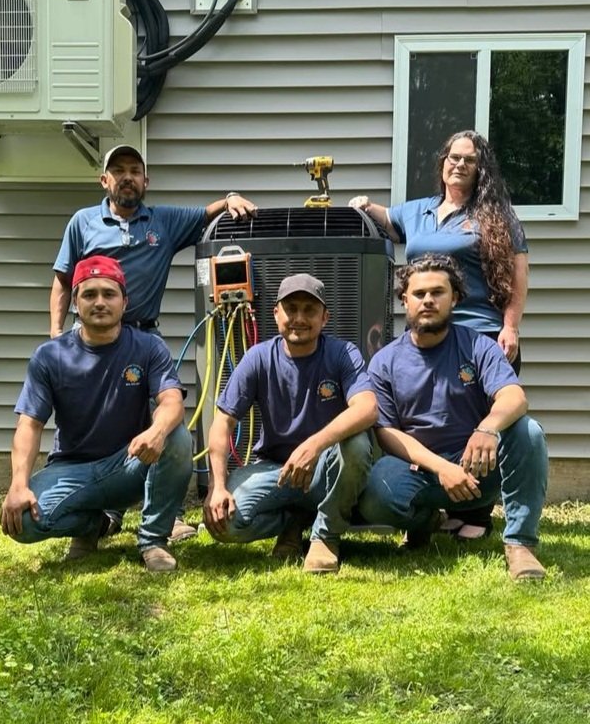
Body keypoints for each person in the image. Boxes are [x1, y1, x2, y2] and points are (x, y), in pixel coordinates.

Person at [49, 144, 257, 542]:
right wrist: (57, 333)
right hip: (89, 340)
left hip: (143, 337)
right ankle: (96, 515)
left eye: (135, 170)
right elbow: (62, 279)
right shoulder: (82, 222)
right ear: (104, 180)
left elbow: (205, 213)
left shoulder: (162, 222)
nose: (127, 176)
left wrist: (229, 199)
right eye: (118, 170)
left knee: (162, 419)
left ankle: (168, 514)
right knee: (89, 420)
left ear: (146, 181)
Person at [349, 129, 527, 539]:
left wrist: (511, 324)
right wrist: (362, 205)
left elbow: (519, 273)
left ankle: (477, 511)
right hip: (427, 336)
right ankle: (435, 499)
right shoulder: (420, 211)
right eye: (453, 157)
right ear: (442, 163)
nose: (459, 164)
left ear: (480, 168)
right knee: (434, 422)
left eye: (469, 159)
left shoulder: (495, 215)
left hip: (480, 333)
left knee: (479, 423)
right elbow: (388, 219)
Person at [356, 254, 548, 581]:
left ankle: (520, 544)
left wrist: (487, 428)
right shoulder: (385, 361)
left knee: (528, 432)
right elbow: (386, 432)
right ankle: (424, 521)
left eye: (438, 292)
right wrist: (441, 467)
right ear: (405, 300)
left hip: (478, 467)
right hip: (421, 470)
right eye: (419, 294)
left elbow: (514, 397)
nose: (428, 300)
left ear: (455, 298)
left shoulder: (479, 346)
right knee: (377, 495)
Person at [0, 256, 193, 572]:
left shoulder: (148, 348)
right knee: (22, 521)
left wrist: (155, 432)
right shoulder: (50, 356)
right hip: (72, 469)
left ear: (124, 301)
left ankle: (153, 540)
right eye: (89, 294)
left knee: (177, 437)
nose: (100, 302)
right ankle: (95, 525)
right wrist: (18, 483)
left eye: (109, 293)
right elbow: (29, 424)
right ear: (75, 301)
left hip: (128, 464)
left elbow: (172, 401)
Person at [203, 273, 378, 574]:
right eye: (291, 308)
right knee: (225, 523)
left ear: (325, 318)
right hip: (276, 470)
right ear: (276, 314)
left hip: (325, 468)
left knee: (358, 443)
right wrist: (216, 487)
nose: (299, 317)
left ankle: (326, 535)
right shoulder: (257, 358)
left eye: (309, 310)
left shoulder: (342, 354)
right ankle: (294, 520)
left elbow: (367, 408)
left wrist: (313, 445)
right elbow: (222, 423)